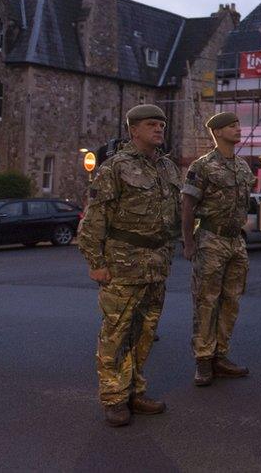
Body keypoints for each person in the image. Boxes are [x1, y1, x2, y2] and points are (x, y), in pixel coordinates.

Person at [77, 104, 181, 427]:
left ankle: (135, 390)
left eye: (162, 124)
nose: (159, 129)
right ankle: (113, 398)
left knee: (145, 332)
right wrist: (96, 263)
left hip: (155, 267)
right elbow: (93, 222)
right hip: (123, 266)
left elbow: (170, 217)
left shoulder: (167, 168)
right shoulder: (115, 169)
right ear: (134, 130)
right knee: (116, 333)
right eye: (152, 124)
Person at [181, 112, 256, 386]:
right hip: (211, 238)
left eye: (238, 124)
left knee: (231, 300)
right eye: (232, 126)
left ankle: (220, 356)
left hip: (236, 241)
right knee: (206, 301)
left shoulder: (243, 166)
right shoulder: (203, 166)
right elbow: (188, 205)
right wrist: (188, 241)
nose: (238, 129)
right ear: (218, 132)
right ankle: (203, 360)